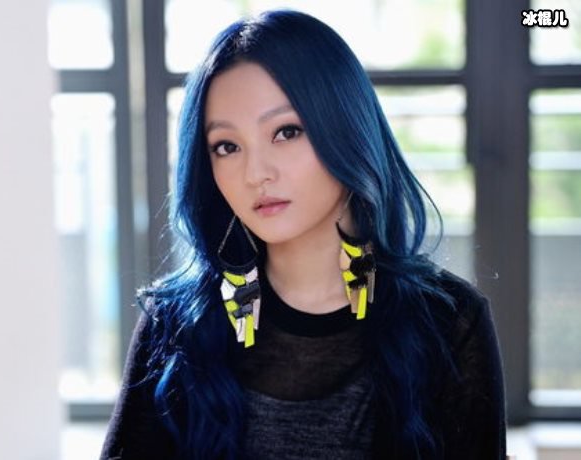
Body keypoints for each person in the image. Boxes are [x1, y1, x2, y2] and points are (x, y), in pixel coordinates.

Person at [100, 9, 506, 460]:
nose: (255, 173)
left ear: (346, 129)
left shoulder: (448, 323)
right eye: (227, 146)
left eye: (287, 132)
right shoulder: (175, 325)